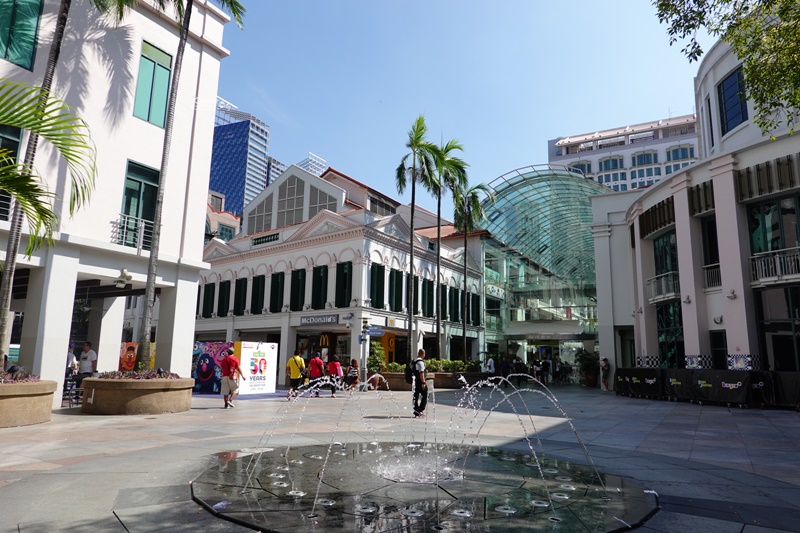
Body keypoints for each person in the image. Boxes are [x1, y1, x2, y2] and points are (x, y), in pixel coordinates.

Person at [412, 348, 427, 418]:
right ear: (423, 354)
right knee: (425, 395)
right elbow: (421, 373)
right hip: (419, 381)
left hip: (414, 381)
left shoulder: (414, 361)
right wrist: (423, 382)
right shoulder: (421, 362)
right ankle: (420, 409)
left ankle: (416, 410)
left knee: (416, 395)